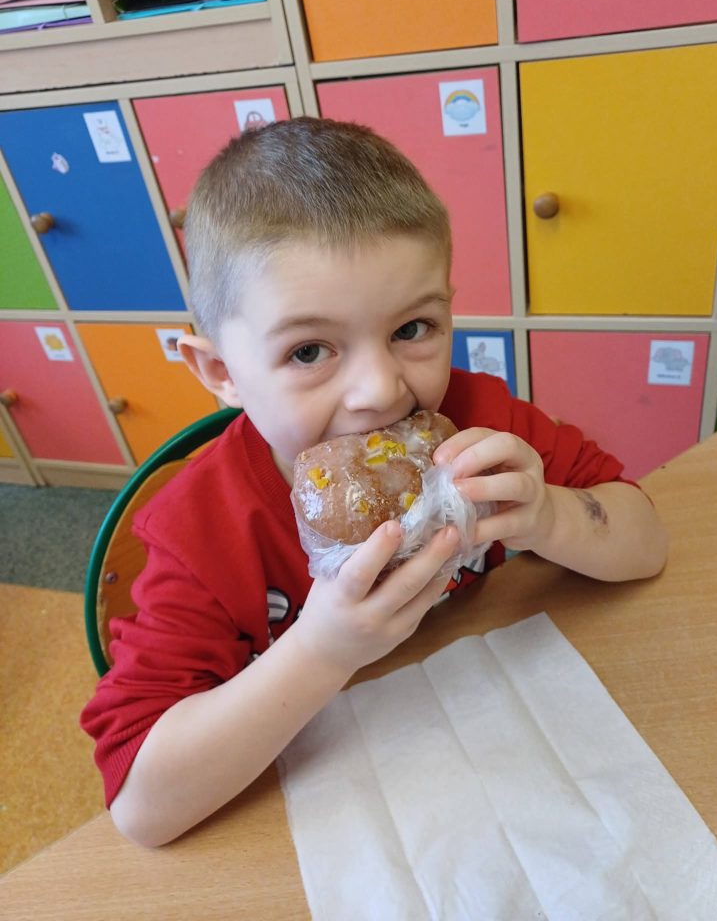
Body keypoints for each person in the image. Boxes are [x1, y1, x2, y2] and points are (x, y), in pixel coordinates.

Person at [81, 117, 667, 848]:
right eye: (309, 351)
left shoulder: (481, 418)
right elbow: (141, 806)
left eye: (412, 329)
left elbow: (644, 540)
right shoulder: (200, 533)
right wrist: (321, 650)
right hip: (332, 806)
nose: (381, 390)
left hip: (498, 756)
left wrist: (548, 515)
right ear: (222, 372)